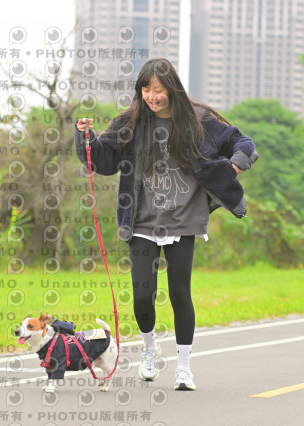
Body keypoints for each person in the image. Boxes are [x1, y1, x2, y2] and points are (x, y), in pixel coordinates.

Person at [74, 58, 258, 390]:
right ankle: (149, 349)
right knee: (143, 295)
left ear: (172, 88)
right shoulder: (129, 122)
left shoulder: (198, 120)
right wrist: (85, 137)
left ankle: (184, 367)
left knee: (179, 293)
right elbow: (102, 160)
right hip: (141, 220)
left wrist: (231, 170)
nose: (152, 96)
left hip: (184, 218)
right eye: (146, 89)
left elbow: (243, 144)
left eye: (158, 90)